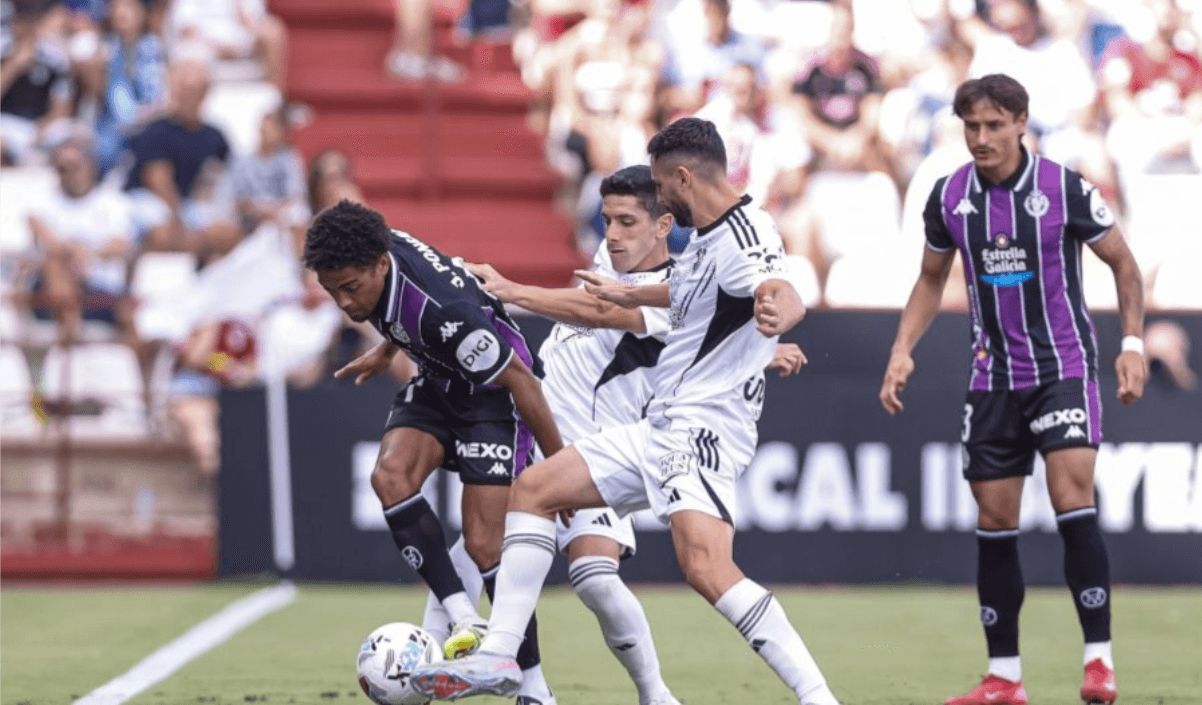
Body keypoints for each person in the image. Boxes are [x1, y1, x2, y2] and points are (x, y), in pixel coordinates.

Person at [412, 118, 839, 705]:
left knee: (707, 569)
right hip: (657, 427)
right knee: (534, 489)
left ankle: (818, 698)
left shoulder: (743, 239)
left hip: (701, 431)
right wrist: (630, 291)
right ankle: (498, 659)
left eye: (663, 187)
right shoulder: (714, 236)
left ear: (683, 178)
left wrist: (780, 315)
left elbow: (776, 287)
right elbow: (694, 289)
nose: (659, 196)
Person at [879, 74, 1145, 705]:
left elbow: (1124, 264)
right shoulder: (949, 197)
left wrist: (1131, 343)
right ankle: (1004, 678)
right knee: (994, 521)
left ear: (1022, 122)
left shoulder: (1063, 187)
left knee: (1070, 496)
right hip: (991, 378)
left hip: (1062, 370)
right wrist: (900, 350)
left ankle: (1099, 663)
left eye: (994, 125)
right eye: (971, 126)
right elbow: (928, 278)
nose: (981, 138)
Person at [302, 200, 561, 700]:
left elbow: (521, 380)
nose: (346, 305)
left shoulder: (444, 313)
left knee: (486, 544)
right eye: (331, 292)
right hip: (441, 380)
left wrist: (560, 465)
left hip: (494, 397)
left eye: (351, 289)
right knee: (390, 476)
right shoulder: (375, 245)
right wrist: (391, 345)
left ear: (380, 265)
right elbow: (403, 304)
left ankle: (536, 691)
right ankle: (465, 619)